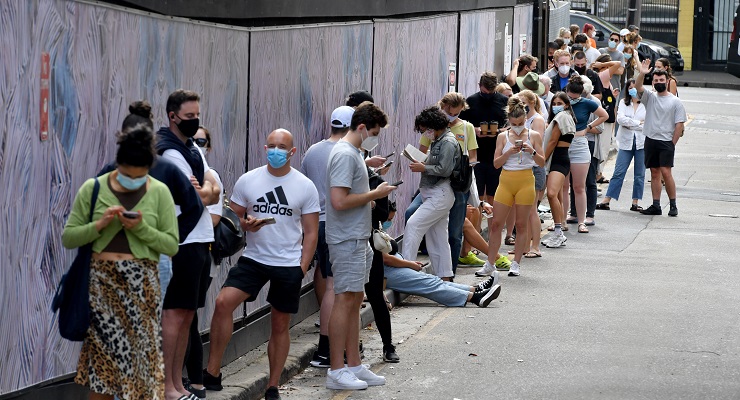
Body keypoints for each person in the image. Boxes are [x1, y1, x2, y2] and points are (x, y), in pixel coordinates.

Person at [63, 123, 179, 400]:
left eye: (139, 176)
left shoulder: (159, 191)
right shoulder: (93, 189)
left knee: (141, 370)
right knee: (103, 372)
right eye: (127, 175)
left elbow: (171, 245)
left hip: (143, 286)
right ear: (118, 164)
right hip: (102, 285)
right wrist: (100, 225)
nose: (132, 180)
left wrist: (141, 228)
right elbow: (69, 237)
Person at [204, 129, 319, 400]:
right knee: (223, 303)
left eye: (282, 147)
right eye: (271, 146)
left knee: (279, 324)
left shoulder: (305, 186)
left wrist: (302, 268)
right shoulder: (249, 180)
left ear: (292, 152)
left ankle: (273, 386)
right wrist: (246, 225)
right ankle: (212, 372)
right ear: (265, 148)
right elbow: (232, 218)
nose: (276, 151)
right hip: (254, 259)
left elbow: (311, 232)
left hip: (288, 264)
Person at [97, 102, 203, 302]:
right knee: (146, 315)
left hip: (121, 251)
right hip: (143, 253)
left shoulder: (113, 169)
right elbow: (194, 206)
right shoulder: (166, 169)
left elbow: (194, 206)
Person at [325, 102, 395, 390]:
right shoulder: (345, 153)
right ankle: (336, 370)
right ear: (362, 127)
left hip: (357, 236)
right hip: (347, 238)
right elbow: (339, 201)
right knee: (345, 300)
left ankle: (353, 365)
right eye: (375, 132)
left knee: (354, 301)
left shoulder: (353, 153)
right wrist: (374, 194)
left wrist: (368, 181)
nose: (375, 138)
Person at [157, 89, 221, 400]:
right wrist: (206, 191)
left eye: (197, 115)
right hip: (182, 241)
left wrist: (206, 189)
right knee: (174, 314)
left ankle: (178, 384)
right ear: (172, 116)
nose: (194, 121)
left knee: (186, 316)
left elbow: (214, 186)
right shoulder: (169, 152)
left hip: (199, 241)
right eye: (188, 116)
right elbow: (197, 197)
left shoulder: (191, 147)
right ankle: (167, 386)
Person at [301, 106, 354, 369]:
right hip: (338, 225)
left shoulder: (312, 151)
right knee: (336, 288)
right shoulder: (346, 152)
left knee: (327, 281)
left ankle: (331, 347)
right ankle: (326, 349)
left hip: (316, 224)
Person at [481, 97, 545, 277]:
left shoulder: (533, 135)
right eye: (514, 124)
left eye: (520, 123)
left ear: (525, 120)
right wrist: (508, 152)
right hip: (506, 180)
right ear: (509, 121)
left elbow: (541, 162)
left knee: (521, 224)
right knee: (496, 224)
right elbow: (496, 163)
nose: (517, 127)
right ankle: (490, 263)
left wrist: (531, 151)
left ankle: (516, 263)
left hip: (526, 180)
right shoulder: (503, 137)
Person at [182, 126, 224, 399]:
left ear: (207, 146)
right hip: (183, 252)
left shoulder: (210, 177)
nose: (196, 145)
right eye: (192, 140)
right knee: (184, 318)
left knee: (188, 318)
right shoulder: (181, 170)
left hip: (201, 255)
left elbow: (214, 218)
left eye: (201, 141)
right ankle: (189, 381)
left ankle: (196, 382)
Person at [401, 106, 459, 280]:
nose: (425, 134)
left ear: (433, 126)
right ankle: (445, 276)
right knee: (438, 238)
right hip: (435, 194)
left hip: (439, 193)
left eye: (425, 130)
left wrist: (423, 167)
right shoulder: (440, 140)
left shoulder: (447, 142)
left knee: (413, 226)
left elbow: (445, 169)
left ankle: (407, 273)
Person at [635, 59, 686, 216]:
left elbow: (679, 124)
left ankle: (673, 205)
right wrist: (642, 73)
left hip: (666, 142)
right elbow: (638, 87)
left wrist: (672, 143)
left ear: (667, 81)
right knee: (654, 172)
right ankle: (656, 205)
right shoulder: (650, 97)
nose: (658, 82)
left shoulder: (676, 101)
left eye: (661, 80)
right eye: (656, 80)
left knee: (666, 172)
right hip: (651, 140)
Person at [562, 76, 608, 237]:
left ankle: (582, 221)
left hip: (580, 143)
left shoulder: (587, 103)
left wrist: (588, 127)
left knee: (579, 186)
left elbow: (604, 115)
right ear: (566, 92)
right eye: (570, 97)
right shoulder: (561, 101)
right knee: (564, 186)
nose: (572, 100)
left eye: (576, 97)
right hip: (563, 144)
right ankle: (561, 220)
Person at [383, 250, 500, 308]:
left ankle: (475, 289)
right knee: (429, 284)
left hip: (391, 265)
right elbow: (385, 258)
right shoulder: (371, 226)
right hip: (386, 269)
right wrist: (409, 264)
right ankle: (475, 298)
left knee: (433, 280)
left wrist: (406, 262)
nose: (389, 222)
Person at [597, 79, 647, 212]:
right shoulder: (623, 103)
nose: (633, 90)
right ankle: (607, 200)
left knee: (640, 174)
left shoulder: (646, 104)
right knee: (619, 171)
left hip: (642, 143)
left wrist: (631, 124)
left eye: (635, 87)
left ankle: (635, 202)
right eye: (630, 88)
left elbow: (647, 124)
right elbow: (620, 119)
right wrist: (638, 123)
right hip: (625, 142)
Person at [541, 92, 576, 247]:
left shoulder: (561, 117)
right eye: (554, 104)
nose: (556, 106)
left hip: (558, 159)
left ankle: (558, 232)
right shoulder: (566, 117)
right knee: (558, 196)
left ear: (566, 104)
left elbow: (553, 141)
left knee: (551, 193)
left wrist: (542, 160)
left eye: (559, 103)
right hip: (559, 159)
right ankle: (559, 229)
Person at [519, 89, 547, 258]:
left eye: (523, 103)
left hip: (535, 167)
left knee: (532, 210)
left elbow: (538, 142)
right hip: (523, 166)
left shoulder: (537, 120)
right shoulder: (524, 119)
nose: (521, 106)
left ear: (531, 102)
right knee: (524, 210)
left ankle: (535, 246)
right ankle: (524, 246)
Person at [599, 32, 626, 101]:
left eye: (616, 40)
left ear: (618, 42)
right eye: (612, 39)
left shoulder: (620, 55)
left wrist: (604, 66)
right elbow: (596, 66)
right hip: (600, 85)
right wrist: (614, 67)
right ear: (609, 40)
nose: (613, 41)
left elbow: (620, 71)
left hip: (614, 86)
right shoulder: (601, 51)